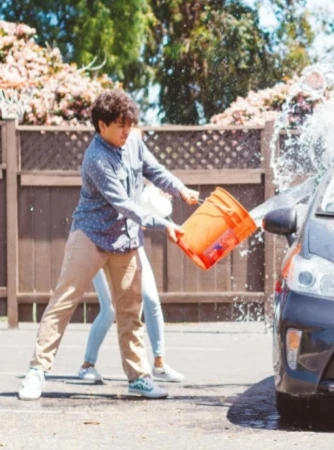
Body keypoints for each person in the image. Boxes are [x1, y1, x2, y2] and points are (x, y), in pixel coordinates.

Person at [17, 89, 199, 401]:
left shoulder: (134, 140)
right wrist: (164, 224)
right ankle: (37, 372)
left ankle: (139, 378)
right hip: (90, 235)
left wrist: (181, 189)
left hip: (125, 239)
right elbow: (125, 204)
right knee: (63, 302)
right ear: (102, 126)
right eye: (120, 125)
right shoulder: (96, 159)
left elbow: (153, 170)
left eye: (130, 123)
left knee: (131, 310)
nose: (127, 130)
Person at [77, 185, 184, 384]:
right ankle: (87, 366)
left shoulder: (141, 176)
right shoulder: (107, 172)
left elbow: (154, 184)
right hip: (99, 241)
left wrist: (165, 191)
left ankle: (159, 364)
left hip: (130, 245)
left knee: (151, 300)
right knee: (109, 310)